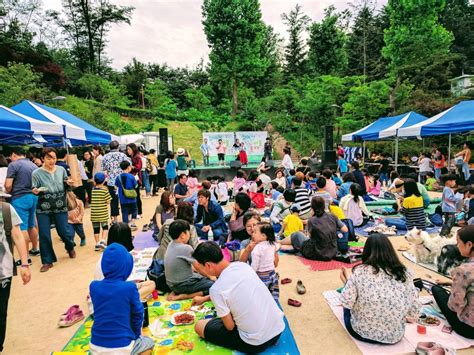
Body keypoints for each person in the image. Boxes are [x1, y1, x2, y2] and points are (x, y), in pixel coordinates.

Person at [192, 242, 285, 353]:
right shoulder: (242, 266)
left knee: (199, 326)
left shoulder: (216, 290)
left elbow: (230, 327)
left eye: (200, 268)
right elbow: (233, 291)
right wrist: (205, 298)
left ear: (208, 265)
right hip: (277, 331)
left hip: (255, 343)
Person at [339, 234, 420, 344]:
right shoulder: (404, 273)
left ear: (366, 251)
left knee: (347, 306)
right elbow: (414, 311)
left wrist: (346, 284)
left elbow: (346, 302)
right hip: (394, 336)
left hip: (362, 332)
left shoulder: (360, 272)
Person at [89, 243, 155, 355]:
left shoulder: (94, 286)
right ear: (126, 266)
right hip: (122, 347)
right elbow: (138, 314)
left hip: (95, 346)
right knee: (148, 343)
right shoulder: (129, 287)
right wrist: (136, 335)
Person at [32, 148, 76, 273]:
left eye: (54, 157)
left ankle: (70, 246)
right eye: (48, 158)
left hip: (60, 205)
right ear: (42, 159)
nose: (52, 160)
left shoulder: (61, 170)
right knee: (45, 234)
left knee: (63, 231)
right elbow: (34, 189)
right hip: (43, 207)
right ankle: (47, 261)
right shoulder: (36, 173)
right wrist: (35, 191)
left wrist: (69, 183)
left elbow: (67, 184)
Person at [93, 223, 155, 300]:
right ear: (127, 239)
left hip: (106, 290)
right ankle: (130, 301)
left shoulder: (106, 254)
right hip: (116, 294)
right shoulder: (122, 258)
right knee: (150, 284)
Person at [431, 226, 474, 339]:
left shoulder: (464, 270)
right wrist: (452, 283)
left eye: (458, 243)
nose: (457, 246)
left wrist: (454, 286)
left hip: (469, 329)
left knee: (436, 289)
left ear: (469, 244)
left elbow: (454, 306)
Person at [0, 201, 31, 353]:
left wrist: (24, 264)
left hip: (2, 273)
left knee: (1, 313)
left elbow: (18, 236)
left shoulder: (5, 209)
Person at [164, 220, 214, 301]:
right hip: (182, 285)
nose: (190, 234)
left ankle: (177, 292)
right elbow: (198, 267)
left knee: (202, 276)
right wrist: (210, 276)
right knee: (212, 286)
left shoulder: (171, 244)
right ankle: (184, 296)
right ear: (183, 235)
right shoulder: (186, 248)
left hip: (171, 284)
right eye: (188, 232)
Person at [4, 147, 40, 256]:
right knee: (31, 225)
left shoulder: (13, 165)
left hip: (20, 197)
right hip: (33, 196)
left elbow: (8, 185)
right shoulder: (33, 165)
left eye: (11, 157)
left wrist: (7, 190)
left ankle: (26, 256)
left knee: (21, 227)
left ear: (14, 154)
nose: (10, 159)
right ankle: (35, 248)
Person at [290, 196, 348, 261]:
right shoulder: (332, 216)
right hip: (333, 251)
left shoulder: (311, 220)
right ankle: (280, 242)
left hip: (317, 253)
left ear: (312, 207)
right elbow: (345, 229)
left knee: (297, 235)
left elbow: (309, 237)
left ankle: (280, 242)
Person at [246, 222, 279, 301]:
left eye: (255, 232)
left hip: (262, 275)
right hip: (272, 273)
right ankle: (274, 303)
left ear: (263, 236)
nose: (253, 234)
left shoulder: (257, 249)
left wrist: (251, 276)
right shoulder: (273, 244)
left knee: (261, 294)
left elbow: (255, 266)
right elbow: (278, 246)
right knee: (273, 292)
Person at [102, 141, 130, 223]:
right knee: (125, 199)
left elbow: (103, 169)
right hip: (123, 180)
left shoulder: (105, 157)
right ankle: (126, 218)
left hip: (111, 182)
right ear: (118, 147)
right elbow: (129, 165)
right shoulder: (123, 155)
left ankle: (115, 219)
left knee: (113, 201)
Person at [90, 172, 112, 251]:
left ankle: (97, 244)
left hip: (94, 214)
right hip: (103, 213)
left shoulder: (92, 190)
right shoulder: (104, 191)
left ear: (95, 181)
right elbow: (109, 201)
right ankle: (103, 241)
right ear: (104, 181)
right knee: (105, 227)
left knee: (96, 229)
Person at [115, 161, 138, 230]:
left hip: (122, 198)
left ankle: (125, 225)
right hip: (131, 197)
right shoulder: (131, 176)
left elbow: (116, 186)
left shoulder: (118, 177)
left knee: (124, 211)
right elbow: (136, 185)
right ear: (128, 167)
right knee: (134, 209)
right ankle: (133, 223)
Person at [126, 143, 143, 219]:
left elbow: (138, 168)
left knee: (137, 196)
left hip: (136, 179)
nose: (128, 151)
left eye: (129, 149)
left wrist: (131, 167)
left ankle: (139, 212)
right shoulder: (130, 157)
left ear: (133, 149)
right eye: (127, 149)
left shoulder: (137, 157)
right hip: (130, 178)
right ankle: (133, 212)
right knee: (132, 196)